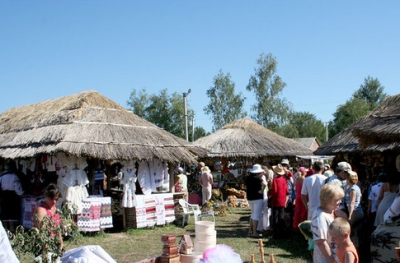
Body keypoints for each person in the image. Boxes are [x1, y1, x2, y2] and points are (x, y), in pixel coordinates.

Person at [311, 183, 345, 263]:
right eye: (337, 199)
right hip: (326, 259)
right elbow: (321, 242)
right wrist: (332, 261)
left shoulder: (333, 210)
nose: (340, 202)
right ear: (327, 200)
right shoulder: (320, 216)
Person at [35, 183, 63, 248]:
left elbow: (57, 229)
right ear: (45, 196)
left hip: (54, 243)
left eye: (56, 199)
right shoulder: (41, 210)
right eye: (51, 199)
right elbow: (42, 231)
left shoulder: (55, 209)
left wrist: (61, 243)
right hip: (44, 244)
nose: (54, 202)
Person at [0, 164, 24, 232]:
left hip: (4, 196)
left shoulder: (1, 178)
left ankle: (6, 229)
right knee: (12, 213)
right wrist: (21, 194)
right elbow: (17, 187)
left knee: (6, 213)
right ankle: (12, 229)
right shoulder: (14, 177)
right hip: (12, 196)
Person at [343, 171, 364, 248]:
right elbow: (360, 196)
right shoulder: (356, 187)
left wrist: (350, 215)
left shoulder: (352, 189)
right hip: (358, 211)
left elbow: (352, 202)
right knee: (355, 232)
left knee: (351, 231)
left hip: (355, 211)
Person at [245, 164, 267, 237]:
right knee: (256, 215)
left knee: (253, 214)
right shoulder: (258, 178)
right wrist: (262, 190)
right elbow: (264, 184)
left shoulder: (248, 178)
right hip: (257, 197)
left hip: (250, 197)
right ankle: (254, 232)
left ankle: (250, 231)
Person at [269, 164, 289, 239]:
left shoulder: (275, 180)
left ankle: (275, 233)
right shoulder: (284, 180)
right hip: (282, 200)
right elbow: (287, 191)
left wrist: (269, 193)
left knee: (275, 217)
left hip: (275, 201)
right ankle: (281, 232)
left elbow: (274, 191)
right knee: (281, 217)